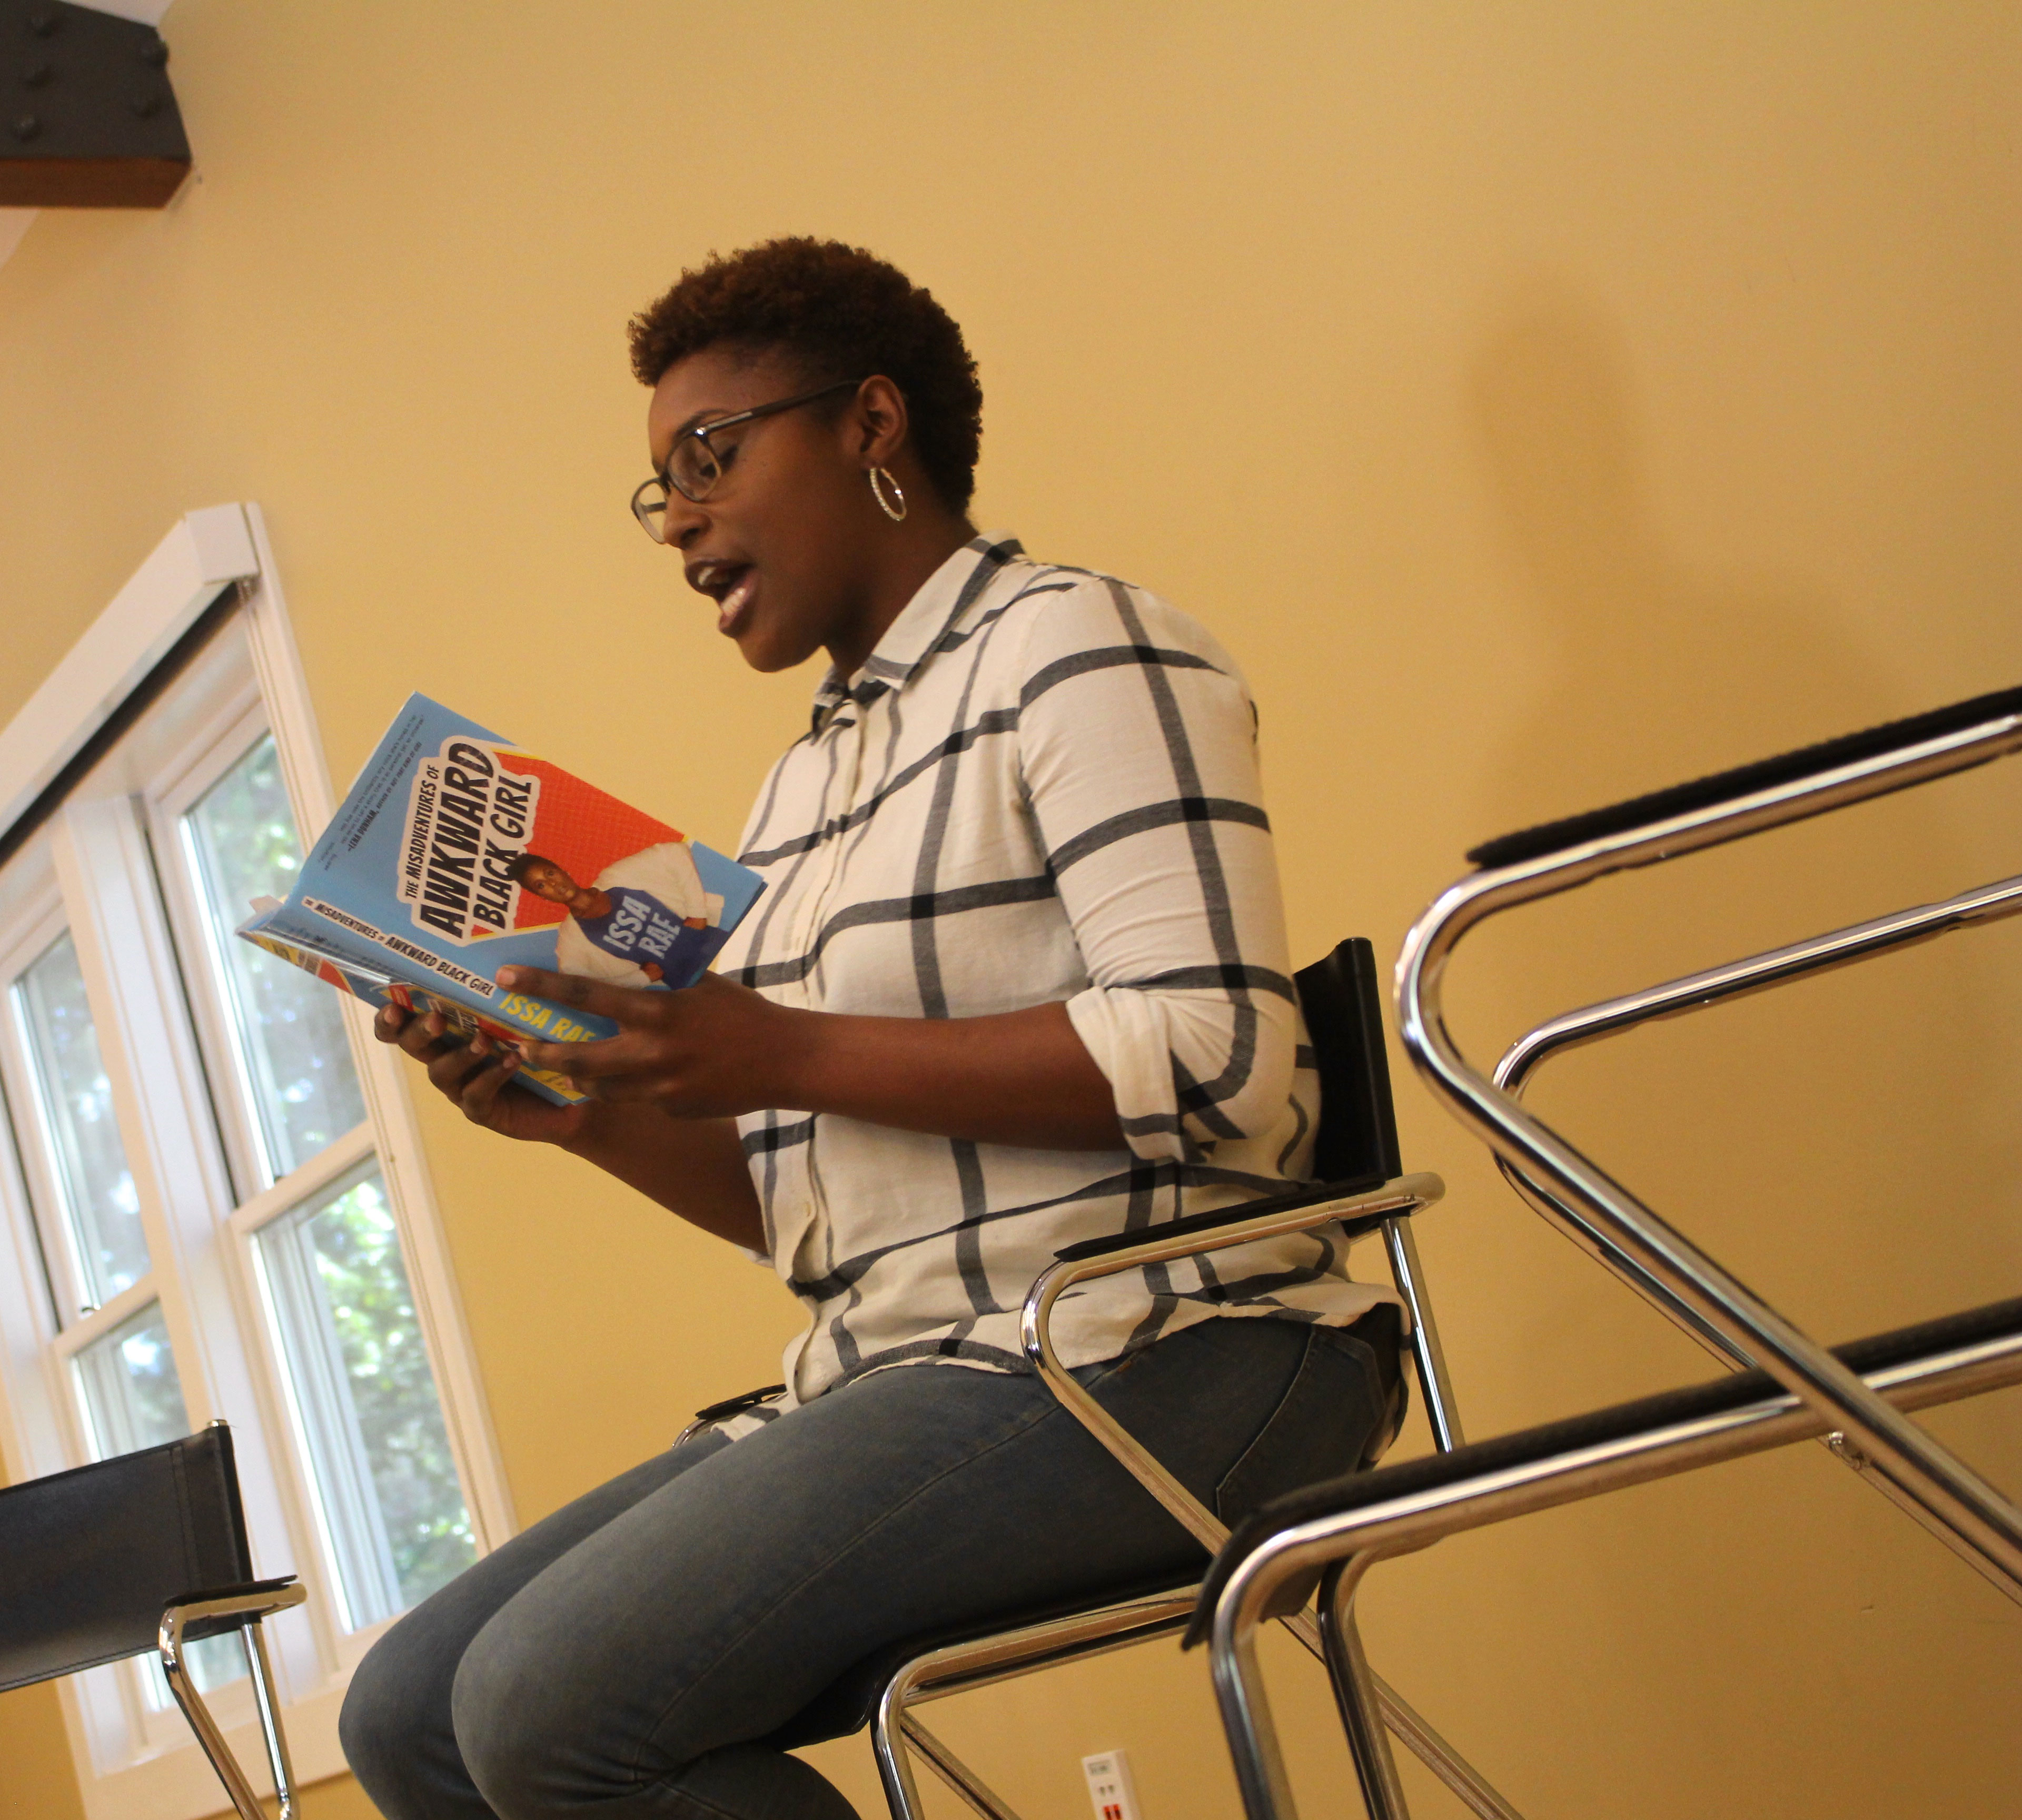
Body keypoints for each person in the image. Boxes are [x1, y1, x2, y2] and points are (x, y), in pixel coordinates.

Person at [341, 237, 1401, 1820]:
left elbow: (1222, 1055)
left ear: (872, 424)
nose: (682, 518)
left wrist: (777, 1050)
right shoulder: (805, 788)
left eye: (710, 456)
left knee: (542, 1709)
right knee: (408, 1716)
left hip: (1173, 1339)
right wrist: (592, 1115)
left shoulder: (1082, 645)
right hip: (908, 1361)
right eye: (660, 489)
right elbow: (809, 1205)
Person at [509, 846, 725, 990]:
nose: (554, 885)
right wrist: (641, 979)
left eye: (550, 874)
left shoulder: (616, 877)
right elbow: (579, 986)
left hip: (714, 943)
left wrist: (697, 913)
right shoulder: (572, 938)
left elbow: (674, 852)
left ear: (563, 870)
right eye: (541, 885)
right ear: (541, 897)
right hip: (690, 985)